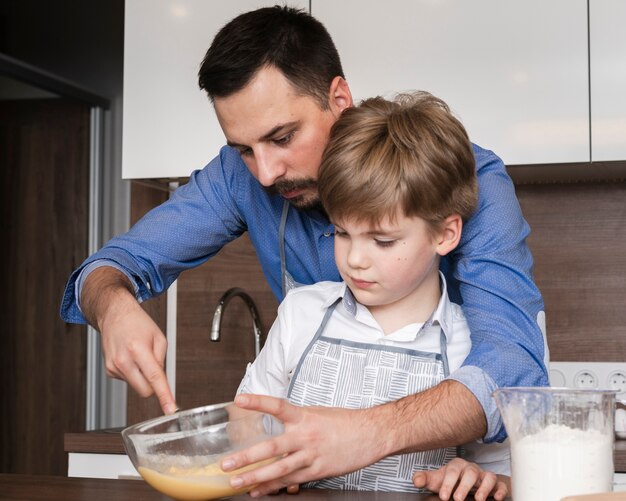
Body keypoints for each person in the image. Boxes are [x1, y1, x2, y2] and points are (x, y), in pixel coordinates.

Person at [60, 5, 546, 497]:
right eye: (244, 149)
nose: (265, 173)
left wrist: (365, 433)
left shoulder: (459, 178)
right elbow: (115, 264)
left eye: (282, 137)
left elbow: (510, 371)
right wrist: (114, 306)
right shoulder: (243, 177)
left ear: (338, 98)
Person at [234, 91, 511, 501]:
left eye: (382, 240)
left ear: (445, 234)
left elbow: (507, 476)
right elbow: (246, 419)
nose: (355, 260)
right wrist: (262, 460)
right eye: (343, 233)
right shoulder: (301, 313)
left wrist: (478, 478)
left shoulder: (473, 346)